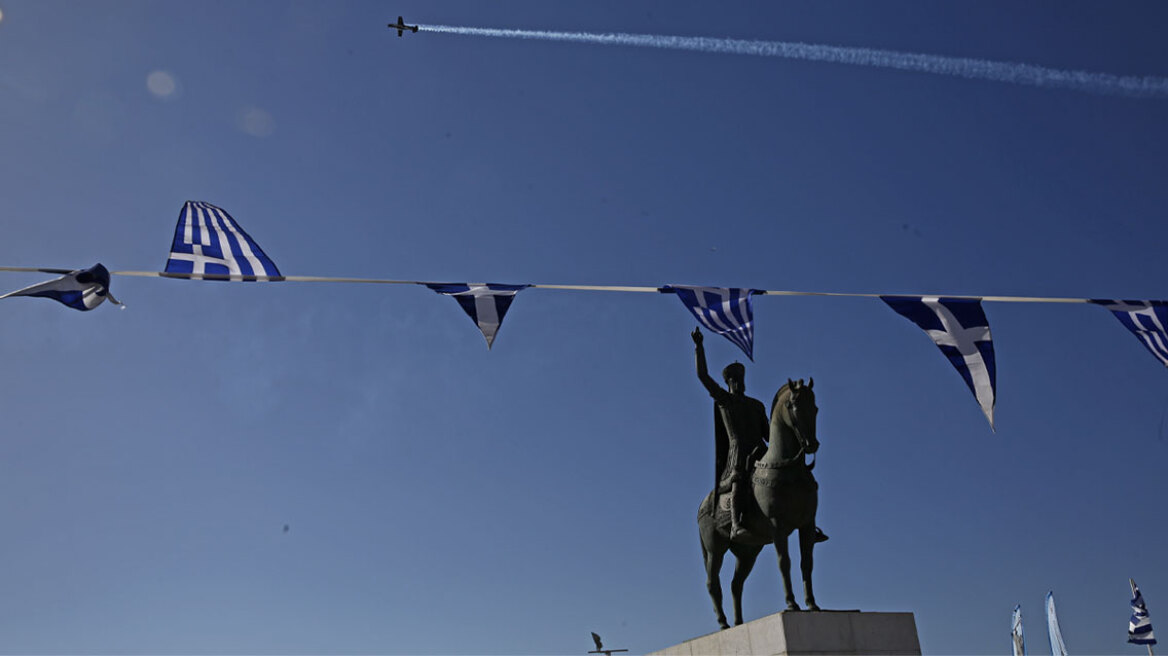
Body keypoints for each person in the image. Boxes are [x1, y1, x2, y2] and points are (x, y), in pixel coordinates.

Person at [692, 327, 769, 540]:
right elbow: (703, 376)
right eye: (733, 379)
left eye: (740, 379)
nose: (738, 383)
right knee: (738, 477)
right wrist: (699, 347)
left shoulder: (757, 405)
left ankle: (805, 522)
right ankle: (735, 524)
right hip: (738, 455)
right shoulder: (726, 401)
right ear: (728, 383)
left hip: (760, 452)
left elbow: (769, 435)